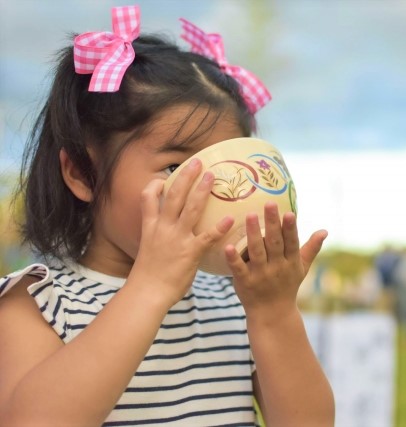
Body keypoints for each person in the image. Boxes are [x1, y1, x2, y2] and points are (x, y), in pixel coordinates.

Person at [0, 6, 334, 426]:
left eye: (224, 169)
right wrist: (150, 288)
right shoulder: (39, 303)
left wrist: (275, 315)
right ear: (82, 173)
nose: (207, 190)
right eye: (176, 168)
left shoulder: (231, 300)